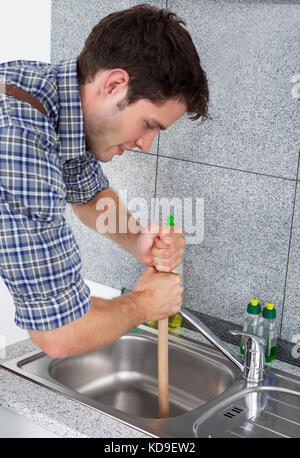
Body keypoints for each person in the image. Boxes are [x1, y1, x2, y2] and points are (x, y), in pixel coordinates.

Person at [0, 4, 210, 358]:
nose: (145, 145)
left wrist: (138, 240)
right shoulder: (19, 137)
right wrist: (145, 304)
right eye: (149, 125)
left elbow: (88, 193)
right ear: (114, 85)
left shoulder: (49, 97)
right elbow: (60, 333)